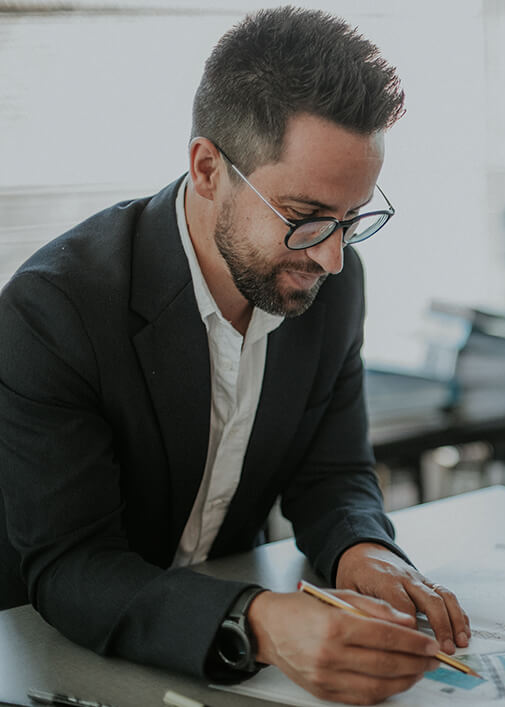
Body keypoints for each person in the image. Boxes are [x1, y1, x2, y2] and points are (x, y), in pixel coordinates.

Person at [0, 7, 469, 704]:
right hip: (50, 657)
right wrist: (258, 619)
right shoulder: (53, 311)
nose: (333, 256)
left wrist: (362, 550)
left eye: (353, 219)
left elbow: (333, 473)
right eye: (306, 216)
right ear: (208, 168)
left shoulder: (328, 286)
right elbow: (72, 564)